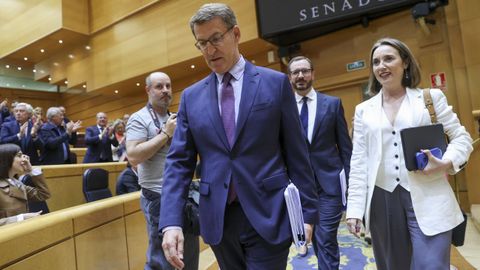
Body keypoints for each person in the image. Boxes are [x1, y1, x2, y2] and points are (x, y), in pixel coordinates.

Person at [159, 3, 318, 270]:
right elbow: (178, 164)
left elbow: (296, 153)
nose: (209, 50)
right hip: (218, 218)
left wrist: (307, 213)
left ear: (236, 34)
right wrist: (171, 221)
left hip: (269, 211)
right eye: (201, 43)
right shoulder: (191, 97)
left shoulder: (275, 83)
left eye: (216, 39)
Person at [345, 38, 473, 270]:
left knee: (431, 266)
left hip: (430, 195)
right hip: (383, 201)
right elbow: (359, 162)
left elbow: (462, 138)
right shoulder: (364, 110)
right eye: (376, 62)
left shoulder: (429, 98)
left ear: (404, 62)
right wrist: (354, 209)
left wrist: (445, 163)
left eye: (388, 58)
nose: (381, 65)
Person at [126, 72, 199, 270]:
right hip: (157, 197)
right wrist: (166, 134)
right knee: (163, 261)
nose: (165, 91)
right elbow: (133, 155)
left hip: (182, 196)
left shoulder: (174, 118)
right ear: (148, 90)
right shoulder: (139, 118)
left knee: (188, 257)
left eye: (168, 86)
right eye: (159, 87)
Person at [288, 56, 352, 268]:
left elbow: (345, 148)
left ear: (313, 74)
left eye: (304, 71)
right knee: (309, 238)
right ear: (290, 78)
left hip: (328, 186)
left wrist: (351, 184)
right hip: (299, 189)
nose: (300, 76)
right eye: (295, 72)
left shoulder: (332, 105)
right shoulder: (283, 110)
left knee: (325, 238)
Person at [0, 144, 50, 226]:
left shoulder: (17, 184)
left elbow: (43, 194)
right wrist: (21, 218)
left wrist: (31, 170)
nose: (24, 160)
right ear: (6, 160)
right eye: (19, 156)